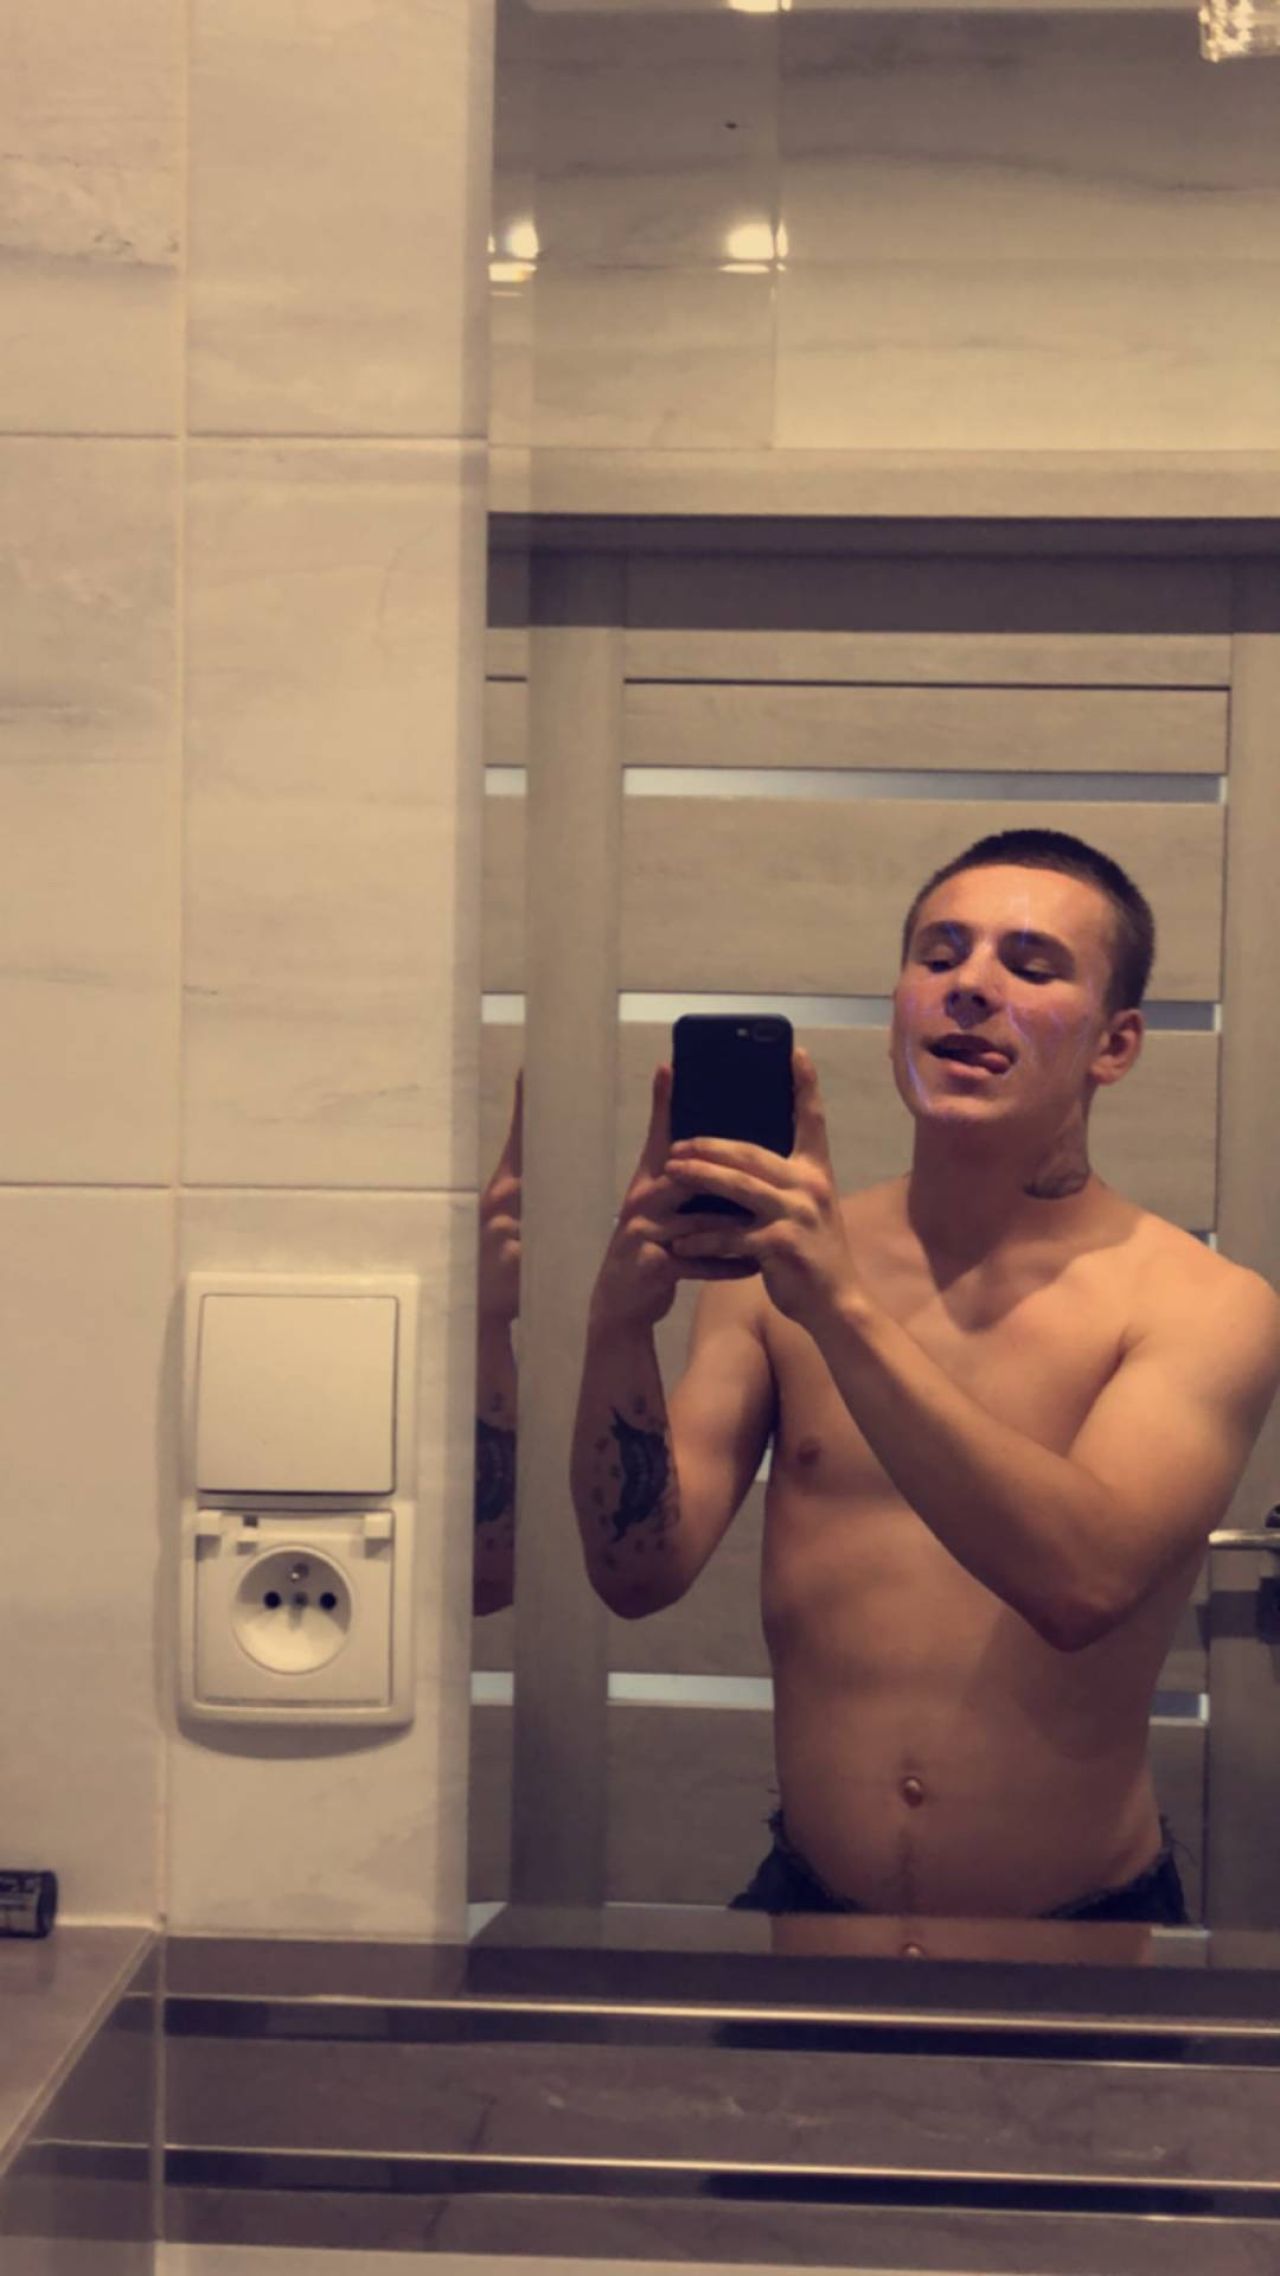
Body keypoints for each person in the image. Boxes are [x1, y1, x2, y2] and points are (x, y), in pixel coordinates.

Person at [570, 829, 1280, 1923]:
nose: (970, 985)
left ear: (1115, 1042)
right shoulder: (771, 1273)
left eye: (1029, 966)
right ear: (900, 1005)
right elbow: (638, 1572)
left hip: (1079, 1931)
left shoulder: (1201, 1303)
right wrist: (617, 1326)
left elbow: (1080, 1584)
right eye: (939, 955)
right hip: (810, 1910)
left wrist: (841, 1309)